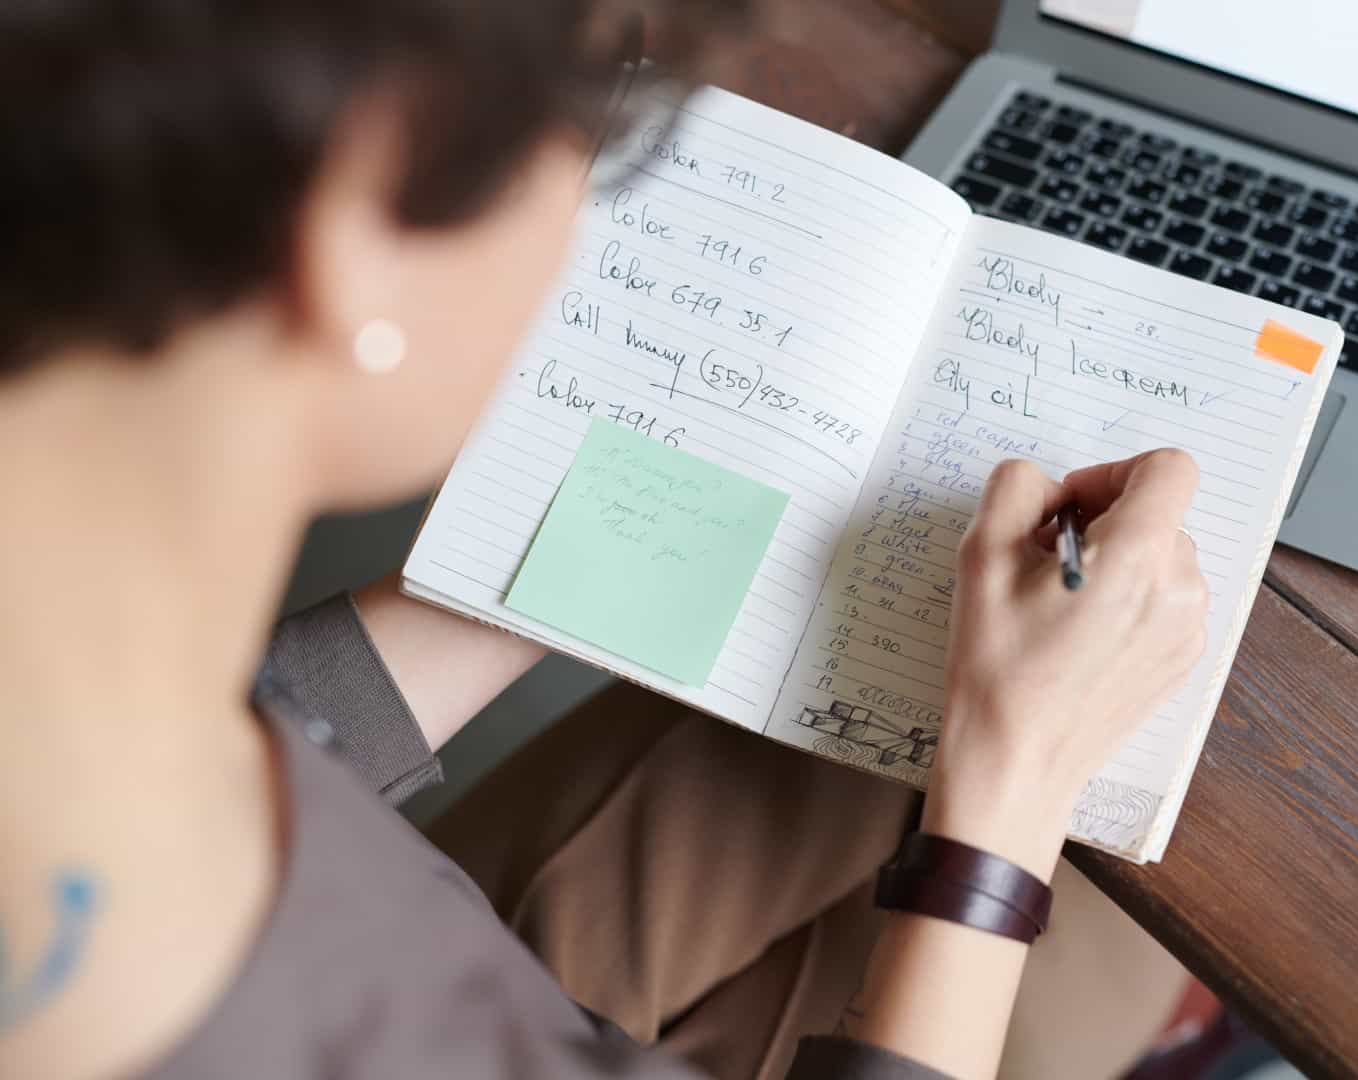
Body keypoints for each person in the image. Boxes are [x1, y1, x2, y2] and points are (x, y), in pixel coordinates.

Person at [0, 2, 1209, 1078]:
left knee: (863, 730)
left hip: (417, 912)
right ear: (360, 235)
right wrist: (1006, 798)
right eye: (590, 147)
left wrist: (508, 575)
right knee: (1119, 885)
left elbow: (254, 731)